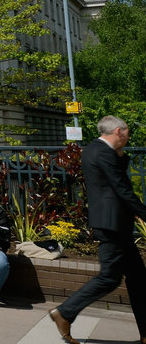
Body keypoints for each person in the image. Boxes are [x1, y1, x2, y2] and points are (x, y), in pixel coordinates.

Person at [51, 116, 146, 344]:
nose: (129, 136)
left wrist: (120, 154)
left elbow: (115, 176)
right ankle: (65, 312)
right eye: (127, 132)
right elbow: (122, 188)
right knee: (109, 278)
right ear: (118, 131)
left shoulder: (95, 149)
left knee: (139, 280)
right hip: (111, 224)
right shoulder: (102, 152)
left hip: (114, 223)